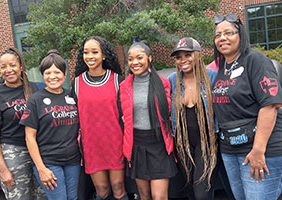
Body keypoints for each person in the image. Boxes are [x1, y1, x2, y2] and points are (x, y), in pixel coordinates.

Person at [212, 13, 282, 199]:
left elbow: (270, 105)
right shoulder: (222, 69)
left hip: (259, 149)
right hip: (230, 150)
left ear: (240, 35)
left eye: (229, 33)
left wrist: (259, 150)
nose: (222, 38)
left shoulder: (256, 60)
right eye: (218, 35)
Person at [118, 40, 177, 200]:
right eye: (130, 59)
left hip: (159, 144)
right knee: (144, 195)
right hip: (136, 145)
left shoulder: (163, 83)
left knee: (159, 196)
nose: (134, 62)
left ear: (149, 58)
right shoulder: (124, 87)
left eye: (139, 57)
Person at [0, 48, 46, 200]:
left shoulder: (33, 88)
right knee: (20, 196)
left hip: (38, 150)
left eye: (12, 65)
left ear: (21, 67)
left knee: (42, 195)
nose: (8, 70)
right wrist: (2, 169)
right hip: (14, 152)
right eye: (3, 67)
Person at [20, 50, 81, 200]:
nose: (52, 76)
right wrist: (41, 168)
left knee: (72, 198)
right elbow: (29, 137)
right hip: (49, 162)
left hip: (73, 161)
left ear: (65, 74)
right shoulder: (35, 100)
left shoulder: (72, 95)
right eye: (47, 73)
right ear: (43, 75)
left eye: (57, 72)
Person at [73, 36, 127, 200]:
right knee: (101, 190)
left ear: (104, 55)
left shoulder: (117, 80)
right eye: (86, 52)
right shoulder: (76, 83)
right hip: (91, 146)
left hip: (115, 143)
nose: (90, 56)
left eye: (94, 52)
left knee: (118, 188)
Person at [168, 38, 218, 200]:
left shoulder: (213, 77)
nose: (183, 60)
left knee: (202, 192)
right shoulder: (173, 80)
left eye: (187, 55)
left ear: (198, 55)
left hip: (206, 144)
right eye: (179, 57)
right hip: (182, 144)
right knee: (189, 189)